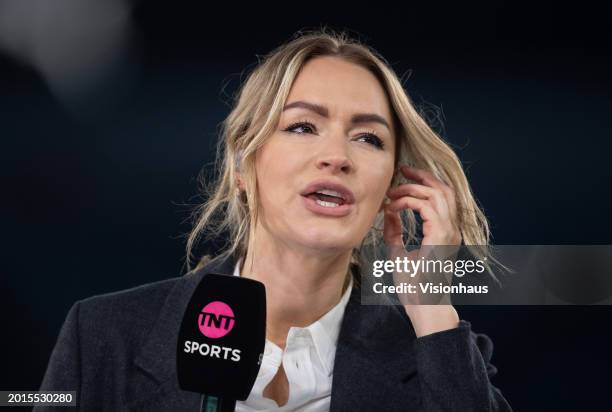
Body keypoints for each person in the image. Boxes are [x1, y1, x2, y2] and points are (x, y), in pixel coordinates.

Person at [38, 30, 512, 411]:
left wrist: (430, 307)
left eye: (368, 139)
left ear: (392, 188)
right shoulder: (102, 336)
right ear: (244, 166)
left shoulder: (440, 355)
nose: (336, 156)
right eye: (302, 127)